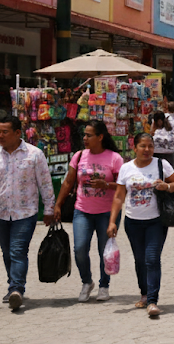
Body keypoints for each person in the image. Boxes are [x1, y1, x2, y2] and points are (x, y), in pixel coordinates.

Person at [107, 131, 174, 317]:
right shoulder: (126, 169)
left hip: (156, 221)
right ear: (135, 148)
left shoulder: (161, 164)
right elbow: (118, 196)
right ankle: (145, 294)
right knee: (140, 261)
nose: (147, 150)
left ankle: (153, 301)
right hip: (133, 222)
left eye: (150, 146)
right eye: (143, 146)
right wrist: (112, 222)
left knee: (152, 259)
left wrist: (167, 186)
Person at [54, 120, 124, 303]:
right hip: (82, 211)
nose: (84, 138)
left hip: (107, 213)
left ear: (100, 137)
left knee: (104, 251)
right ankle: (87, 282)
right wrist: (57, 205)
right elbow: (68, 182)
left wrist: (106, 185)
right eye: (84, 135)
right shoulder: (78, 156)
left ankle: (104, 286)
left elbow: (124, 187)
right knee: (79, 249)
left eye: (89, 135)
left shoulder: (114, 158)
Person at [0, 115, 55, 310]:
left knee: (17, 251)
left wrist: (49, 208)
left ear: (17, 133)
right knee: (6, 252)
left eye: (4, 132)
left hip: (25, 213)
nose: (1, 136)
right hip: (1, 213)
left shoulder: (34, 154)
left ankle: (17, 288)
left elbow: (45, 183)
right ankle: (12, 285)